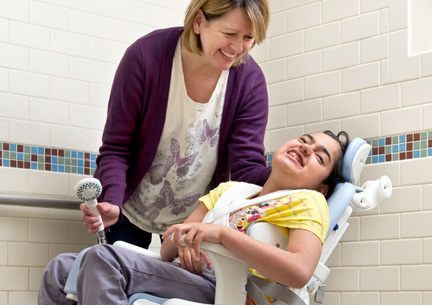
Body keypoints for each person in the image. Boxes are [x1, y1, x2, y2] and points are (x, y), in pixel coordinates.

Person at [39, 131, 350, 305]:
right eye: (305, 140)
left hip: (233, 288)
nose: (306, 149)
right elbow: (169, 245)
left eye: (319, 156)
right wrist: (185, 239)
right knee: (62, 268)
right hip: (185, 274)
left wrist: (222, 236)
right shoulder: (231, 190)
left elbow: (299, 272)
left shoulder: (309, 201)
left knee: (104, 260)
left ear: (321, 186)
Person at [81, 0, 272, 249]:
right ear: (199, 21)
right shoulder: (144, 57)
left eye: (248, 37)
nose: (237, 47)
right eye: (229, 34)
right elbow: (117, 147)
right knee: (117, 283)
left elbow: (244, 169)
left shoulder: (250, 83)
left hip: (193, 222)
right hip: (128, 208)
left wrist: (291, 175)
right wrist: (113, 201)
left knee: (184, 288)